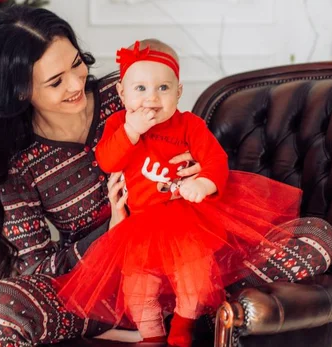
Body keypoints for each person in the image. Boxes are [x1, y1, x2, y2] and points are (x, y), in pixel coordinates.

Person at [0, 6, 332, 346]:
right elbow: (38, 268)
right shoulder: (13, 162)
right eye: (55, 81)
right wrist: (109, 233)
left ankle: (189, 317)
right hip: (104, 288)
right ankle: (170, 320)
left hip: (184, 254)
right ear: (19, 91)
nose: (77, 83)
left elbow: (187, 139)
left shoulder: (128, 91)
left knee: (317, 237)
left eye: (76, 63)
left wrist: (196, 172)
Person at [55, 39, 304, 347]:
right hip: (141, 225)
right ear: (122, 93)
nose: (152, 99)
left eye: (163, 88)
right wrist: (131, 131)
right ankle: (152, 335)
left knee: (194, 278)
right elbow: (108, 160)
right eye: (141, 89)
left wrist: (203, 184)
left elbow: (216, 161)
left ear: (178, 92)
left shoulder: (189, 125)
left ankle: (183, 327)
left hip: (186, 217)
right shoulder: (119, 123)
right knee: (138, 286)